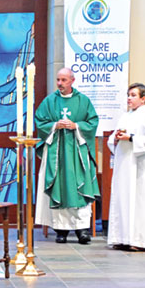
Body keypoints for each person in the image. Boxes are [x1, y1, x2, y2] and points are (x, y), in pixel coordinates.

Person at [34, 67, 100, 244]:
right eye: (58, 80)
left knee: (80, 187)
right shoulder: (50, 101)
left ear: (72, 80)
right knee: (59, 187)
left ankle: (82, 230)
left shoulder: (83, 101)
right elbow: (40, 121)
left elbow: (93, 122)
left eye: (63, 80)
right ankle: (60, 230)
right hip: (57, 151)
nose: (60, 84)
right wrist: (55, 125)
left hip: (77, 151)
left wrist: (76, 126)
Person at [107, 83, 145, 251]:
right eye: (128, 95)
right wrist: (115, 138)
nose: (129, 98)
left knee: (138, 201)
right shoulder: (125, 117)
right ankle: (121, 238)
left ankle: (139, 241)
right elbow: (112, 139)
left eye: (133, 95)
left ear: (143, 99)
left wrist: (130, 138)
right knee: (122, 199)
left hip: (140, 167)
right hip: (123, 165)